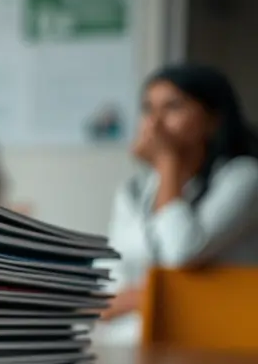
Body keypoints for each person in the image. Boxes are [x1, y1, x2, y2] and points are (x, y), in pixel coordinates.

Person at [98, 64, 258, 344]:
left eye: (173, 107)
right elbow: (108, 284)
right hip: (127, 342)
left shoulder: (243, 177)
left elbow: (180, 253)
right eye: (148, 109)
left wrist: (167, 162)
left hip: (211, 346)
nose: (155, 123)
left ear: (213, 120)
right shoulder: (134, 190)